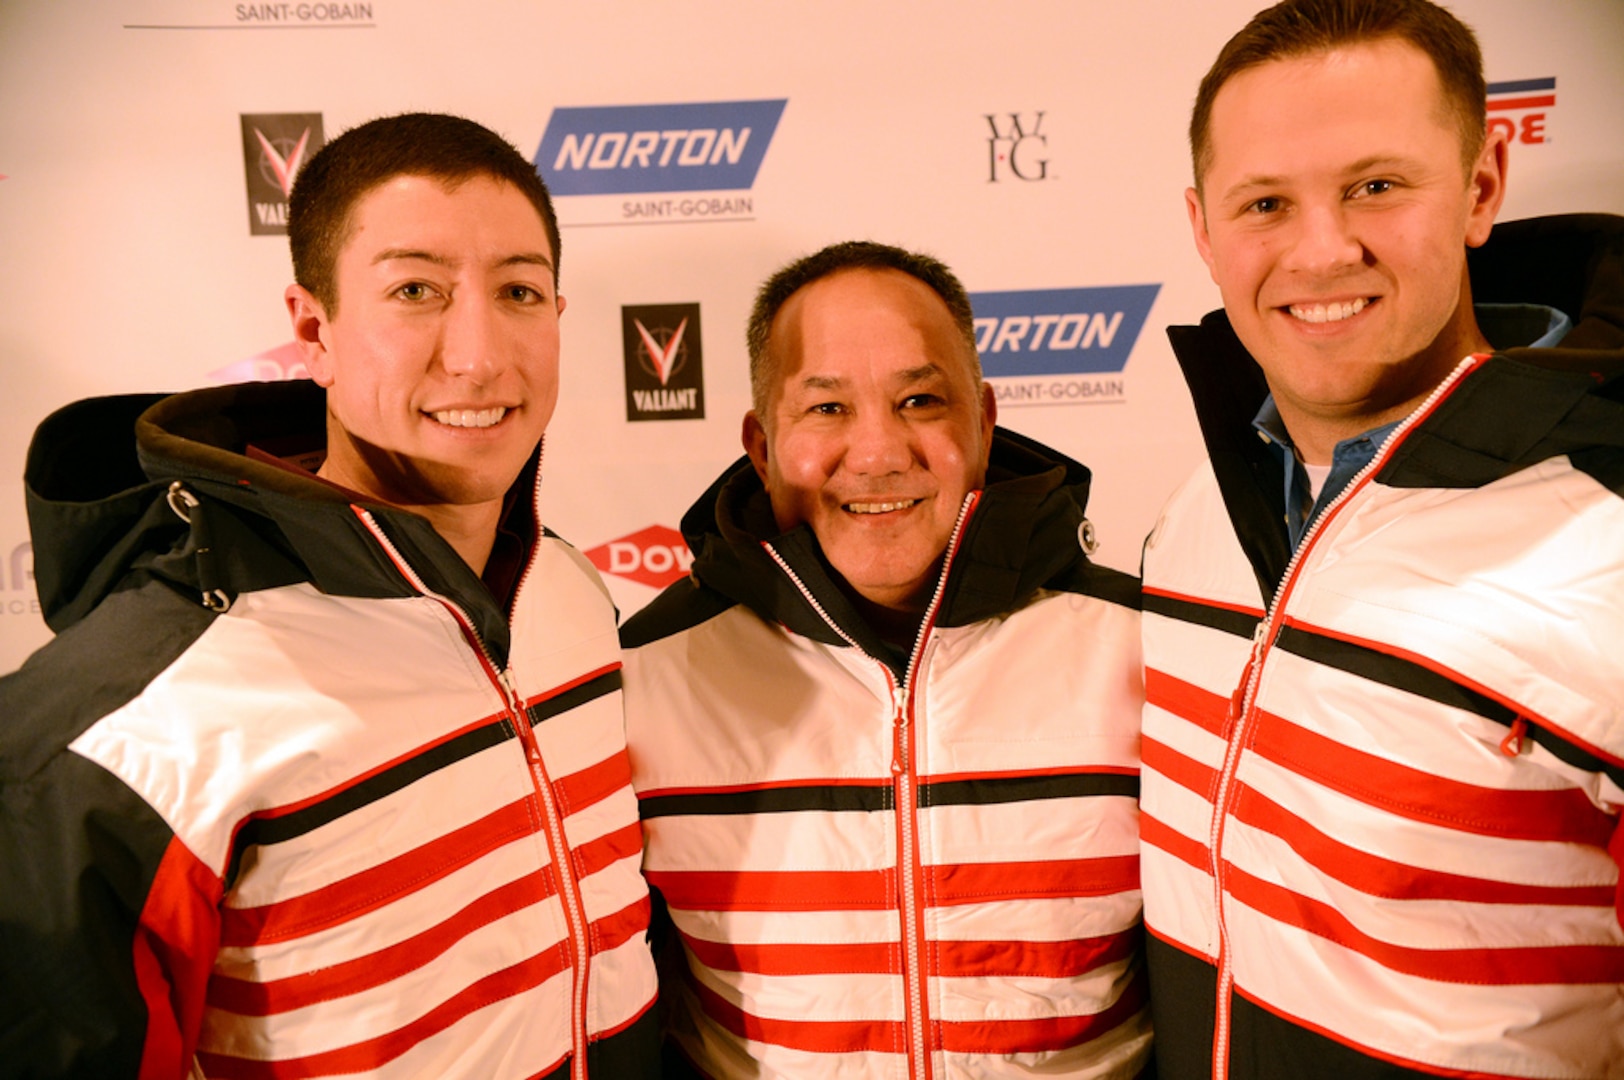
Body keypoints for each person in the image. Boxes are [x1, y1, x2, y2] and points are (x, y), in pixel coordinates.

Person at [0, 113, 659, 1078]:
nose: (477, 354)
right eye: (415, 291)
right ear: (314, 330)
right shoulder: (134, 727)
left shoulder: (564, 585)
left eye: (517, 290)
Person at [1139, 1, 1624, 1076]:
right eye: (1265, 202)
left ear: (1482, 185)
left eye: (1375, 186)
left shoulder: (1607, 546)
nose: (1323, 250)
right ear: (1202, 229)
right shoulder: (1195, 508)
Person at [620, 240, 1152, 1077]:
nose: (877, 452)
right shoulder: (645, 679)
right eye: (826, 409)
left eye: (919, 399)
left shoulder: (1148, 653)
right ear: (761, 445)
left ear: (983, 421)